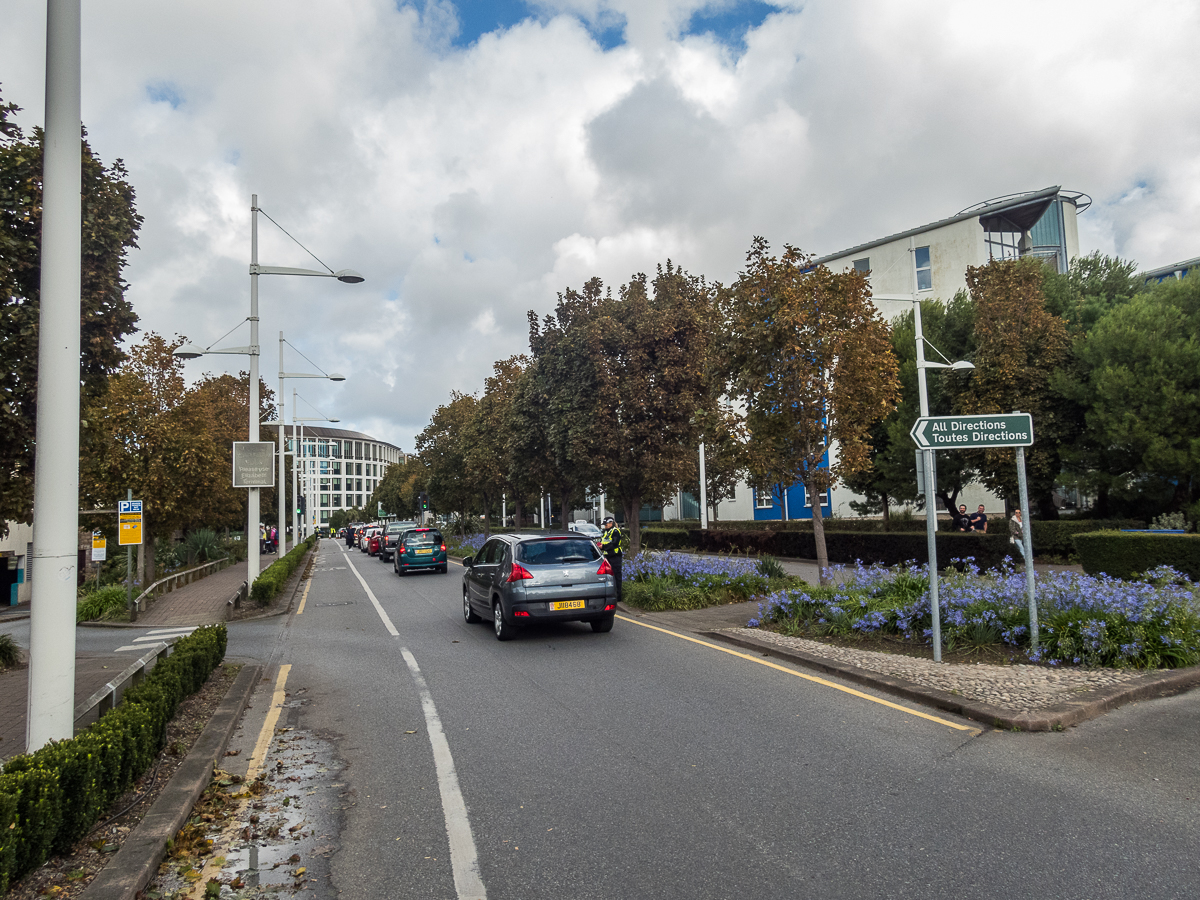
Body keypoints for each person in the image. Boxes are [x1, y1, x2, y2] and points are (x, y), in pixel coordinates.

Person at [599, 516, 624, 605]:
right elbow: (604, 542)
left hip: (615, 557)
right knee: (609, 577)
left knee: (617, 576)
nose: (605, 526)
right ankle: (611, 594)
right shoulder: (606, 532)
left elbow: (614, 544)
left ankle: (618, 596)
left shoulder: (615, 531)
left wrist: (603, 547)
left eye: (606, 525)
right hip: (608, 556)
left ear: (610, 523)